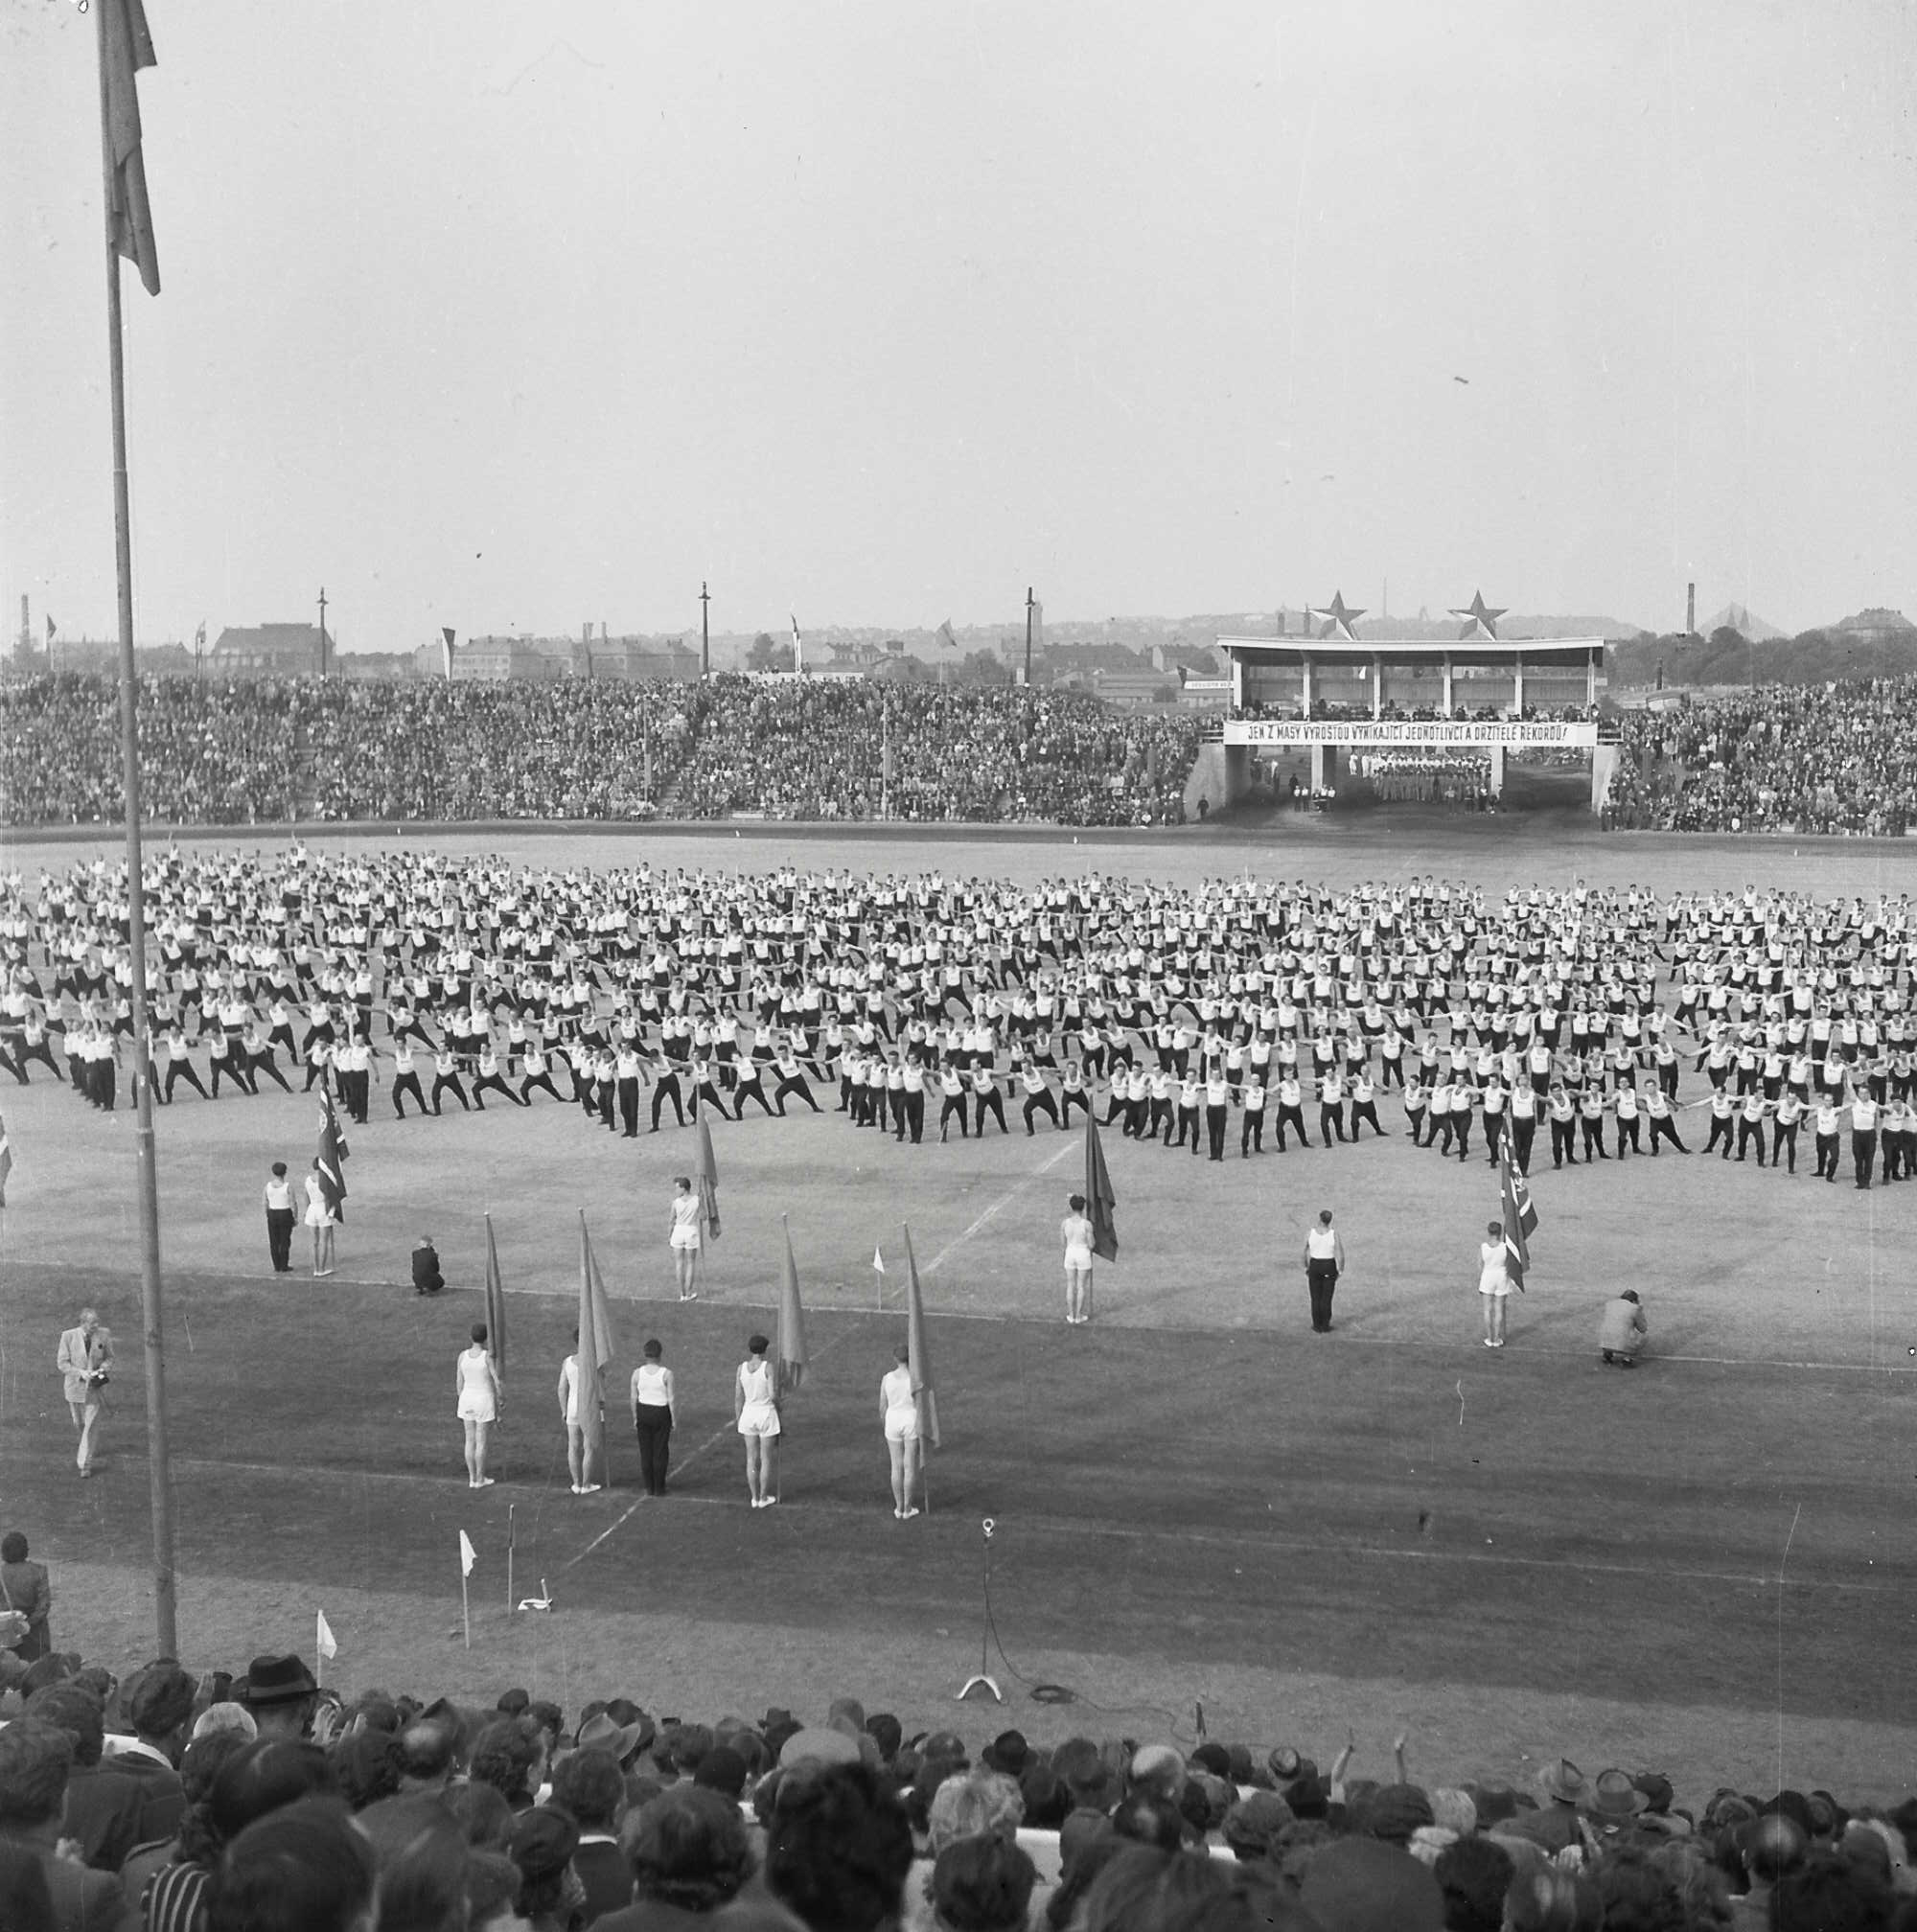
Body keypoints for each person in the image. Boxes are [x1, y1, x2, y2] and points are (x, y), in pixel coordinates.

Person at [57, 1308, 112, 1478]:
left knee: (91, 1425)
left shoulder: (104, 1334)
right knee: (80, 1424)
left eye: (97, 1322)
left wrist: (103, 1367)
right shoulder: (68, 1336)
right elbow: (62, 1364)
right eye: (92, 1323)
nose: (96, 1325)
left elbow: (109, 1357)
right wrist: (80, 1372)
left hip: (94, 1388)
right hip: (75, 1388)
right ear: (83, 1323)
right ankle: (86, 1446)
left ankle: (85, 1464)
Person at [734, 1334, 779, 1508]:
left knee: (751, 1459)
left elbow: (738, 1396)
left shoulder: (741, 1368)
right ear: (765, 1350)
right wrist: (779, 1406)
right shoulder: (768, 1368)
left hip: (748, 1414)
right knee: (766, 1459)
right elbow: (773, 1394)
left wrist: (739, 1418)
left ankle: (754, 1497)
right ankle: (763, 1497)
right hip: (765, 1413)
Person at [558, 1329, 603, 1495]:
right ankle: (586, 1483)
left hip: (572, 1406)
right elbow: (600, 1384)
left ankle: (576, 1483)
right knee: (588, 1446)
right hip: (588, 1405)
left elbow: (562, 1388)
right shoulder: (593, 1362)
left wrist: (564, 1410)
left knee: (573, 1445)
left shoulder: (567, 1362)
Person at [458, 1323, 502, 1487]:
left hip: (467, 1399)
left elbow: (459, 1382)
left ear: (471, 1337)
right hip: (483, 1400)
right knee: (481, 1440)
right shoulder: (487, 1357)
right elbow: (496, 1381)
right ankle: (480, 1477)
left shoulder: (462, 1356)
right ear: (485, 1339)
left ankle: (472, 1478)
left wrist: (462, 1399)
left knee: (469, 1440)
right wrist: (501, 1400)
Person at [631, 1338, 676, 1497]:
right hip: (661, 1412)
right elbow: (671, 1398)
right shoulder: (666, 1374)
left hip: (643, 1411)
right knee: (660, 1451)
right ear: (659, 1355)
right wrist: (674, 1418)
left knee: (646, 1451)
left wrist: (635, 1416)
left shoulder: (637, 1373)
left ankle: (649, 1486)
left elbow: (633, 1397)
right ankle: (659, 1487)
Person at [880, 1344, 920, 1521]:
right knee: (909, 1465)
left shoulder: (887, 1378)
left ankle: (899, 1507)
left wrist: (885, 1424)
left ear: (895, 1359)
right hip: (910, 1419)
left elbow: (882, 1406)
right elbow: (919, 1403)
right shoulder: (914, 1378)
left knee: (896, 1466)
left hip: (893, 1419)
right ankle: (908, 1508)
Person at [0, 1532, 52, 1662]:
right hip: (34, 1634)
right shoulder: (39, 1570)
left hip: (5, 1633)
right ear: (26, 1551)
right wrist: (28, 1623)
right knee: (37, 1670)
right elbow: (44, 1606)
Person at [1303, 1210, 1344, 1334]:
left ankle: (1316, 1325)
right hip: (1328, 1265)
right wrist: (1340, 1270)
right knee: (1326, 1298)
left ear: (1320, 1219)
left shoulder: (1310, 1233)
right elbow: (1340, 1255)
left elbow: (1303, 1252)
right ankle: (1325, 1325)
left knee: (1315, 1297)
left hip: (1315, 1265)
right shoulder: (1333, 1234)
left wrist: (1306, 1267)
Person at [1060, 1192, 1095, 1326]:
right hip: (1083, 1254)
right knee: (1081, 1286)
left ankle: (1071, 1314)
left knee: (1070, 1285)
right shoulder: (1087, 1225)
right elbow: (1091, 1244)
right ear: (1083, 1208)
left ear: (1071, 1207)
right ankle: (1079, 1315)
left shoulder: (1065, 1223)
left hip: (1070, 1253)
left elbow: (1063, 1243)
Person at [1477, 1218, 1511, 1350]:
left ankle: (1489, 1338)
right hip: (1501, 1276)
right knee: (1498, 1309)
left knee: (1487, 1309)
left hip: (1488, 1276)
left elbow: (1480, 1264)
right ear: (1500, 1232)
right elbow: (1509, 1264)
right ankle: (1496, 1339)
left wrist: (1483, 1276)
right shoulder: (1505, 1247)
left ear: (1489, 1232)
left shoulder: (1484, 1247)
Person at [667, 1176, 701, 1302]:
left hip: (678, 1231)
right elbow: (703, 1215)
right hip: (690, 1231)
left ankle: (682, 1294)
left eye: (677, 1187)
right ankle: (688, 1293)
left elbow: (671, 1221)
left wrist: (669, 1235)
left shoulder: (676, 1202)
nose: (676, 1190)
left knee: (679, 1263)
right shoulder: (697, 1200)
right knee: (690, 1263)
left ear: (684, 1188)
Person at [303, 1160, 336, 1278]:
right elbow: (328, 1198)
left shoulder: (308, 1180)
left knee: (314, 1242)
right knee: (323, 1241)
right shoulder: (325, 1181)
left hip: (312, 1209)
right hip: (323, 1209)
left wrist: (307, 1211)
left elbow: (306, 1197)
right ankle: (321, 1269)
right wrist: (331, 1213)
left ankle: (316, 1269)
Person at [1599, 1289, 1648, 1368]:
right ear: (1634, 1300)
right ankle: (1627, 1359)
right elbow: (1643, 1328)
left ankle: (1607, 1354)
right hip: (1622, 1341)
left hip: (1604, 1340)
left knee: (1612, 1327)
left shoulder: (1610, 1304)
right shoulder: (1635, 1308)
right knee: (1644, 1336)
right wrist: (1640, 1311)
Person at [264, 1162, 296, 1276]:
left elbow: (265, 1202)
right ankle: (284, 1265)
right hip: (285, 1212)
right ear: (285, 1172)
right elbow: (293, 1202)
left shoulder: (268, 1186)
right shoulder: (287, 1186)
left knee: (274, 1240)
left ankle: (276, 1265)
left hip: (273, 1213)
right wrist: (295, 1216)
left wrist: (267, 1214)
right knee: (285, 1240)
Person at [412, 1233, 446, 1297]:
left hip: (417, 1279)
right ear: (429, 1245)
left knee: (421, 1274)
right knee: (441, 1282)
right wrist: (435, 1254)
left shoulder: (415, 1253)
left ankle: (421, 1288)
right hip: (429, 1279)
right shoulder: (433, 1255)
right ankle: (430, 1289)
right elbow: (436, 1269)